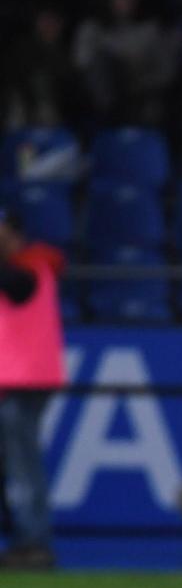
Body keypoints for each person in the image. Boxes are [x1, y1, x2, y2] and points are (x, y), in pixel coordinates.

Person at [0, 209, 65, 569]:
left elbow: (16, 287)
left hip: (24, 381)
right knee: (17, 464)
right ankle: (25, 539)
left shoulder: (32, 265)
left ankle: (34, 543)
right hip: (14, 380)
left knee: (24, 466)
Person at [73, 0, 179, 125]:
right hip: (102, 98)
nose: (128, 1)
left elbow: (167, 70)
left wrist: (141, 80)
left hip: (141, 91)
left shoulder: (150, 29)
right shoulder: (92, 27)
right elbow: (83, 61)